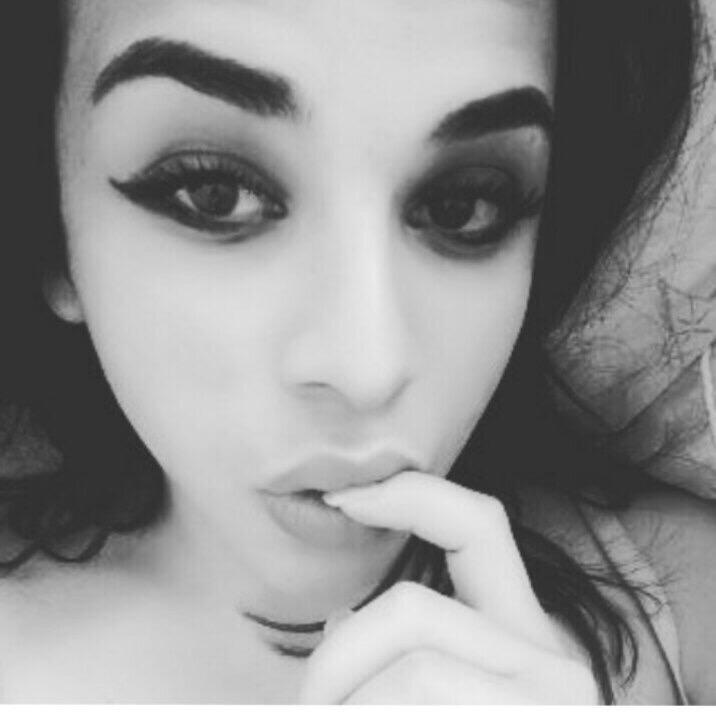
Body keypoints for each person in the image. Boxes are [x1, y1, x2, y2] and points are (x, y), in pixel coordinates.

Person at [0, 0, 714, 705]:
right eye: (215, 194)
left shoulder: (680, 595)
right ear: (52, 235)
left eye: (463, 205)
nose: (366, 370)